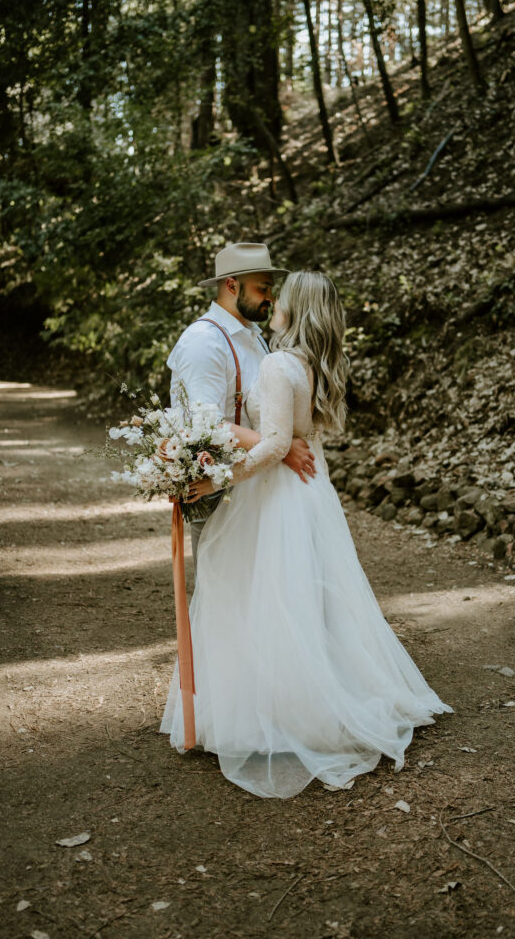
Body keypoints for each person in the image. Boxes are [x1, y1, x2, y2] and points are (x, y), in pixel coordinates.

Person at [160, 271, 452, 798]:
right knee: (303, 600)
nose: (272, 300)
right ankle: (297, 699)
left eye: (280, 296)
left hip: (274, 495)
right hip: (309, 493)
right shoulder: (310, 363)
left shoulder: (276, 363)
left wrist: (216, 479)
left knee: (266, 598)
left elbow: (274, 446)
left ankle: (280, 714)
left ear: (293, 309)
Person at [166, 241, 315, 564]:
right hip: (219, 492)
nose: (271, 298)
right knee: (222, 593)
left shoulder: (254, 336)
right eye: (263, 288)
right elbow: (204, 425)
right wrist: (282, 446)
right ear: (232, 285)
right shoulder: (204, 342)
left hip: (258, 485)